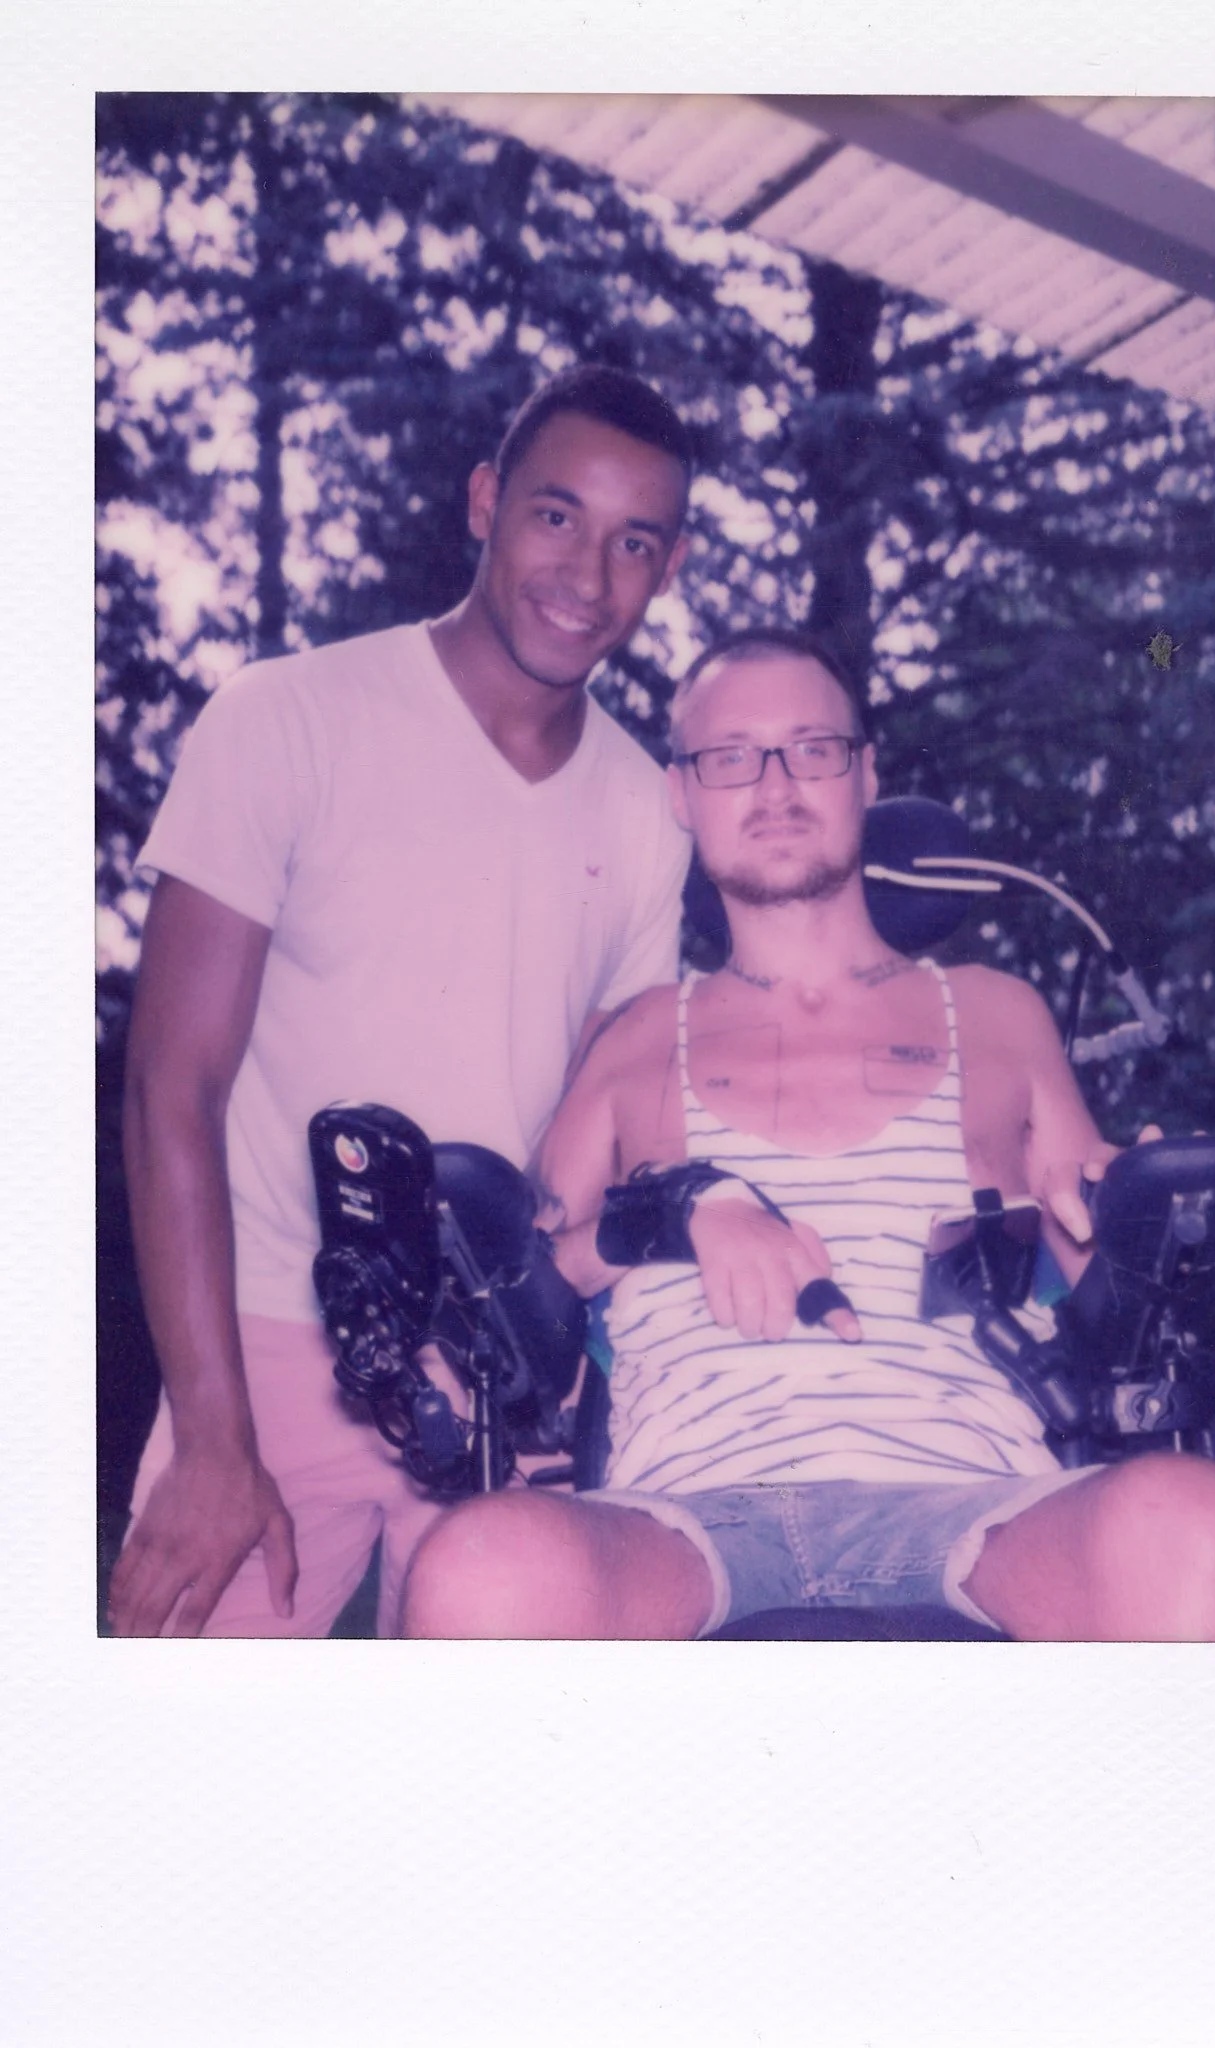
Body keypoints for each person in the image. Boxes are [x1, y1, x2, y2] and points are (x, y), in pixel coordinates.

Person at [401, 633, 1215, 1641]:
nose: (773, 785)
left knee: (1196, 1520)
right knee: (478, 1561)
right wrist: (669, 1220)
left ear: (866, 772)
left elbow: (1097, 1282)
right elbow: (530, 1308)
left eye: (810, 747)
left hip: (974, 1498)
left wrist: (1129, 1212)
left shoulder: (997, 1014)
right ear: (681, 792)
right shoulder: (633, 1036)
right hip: (686, 1507)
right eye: (730, 756)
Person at [110, 366, 697, 1637]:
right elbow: (171, 1088)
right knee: (178, 1795)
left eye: (632, 542)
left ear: (670, 565)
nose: (587, 576)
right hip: (262, 1357)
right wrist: (214, 1439)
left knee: (482, 1802)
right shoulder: (287, 718)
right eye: (555, 516)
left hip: (506, 1384)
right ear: (484, 502)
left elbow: (609, 1133)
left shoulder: (653, 812)